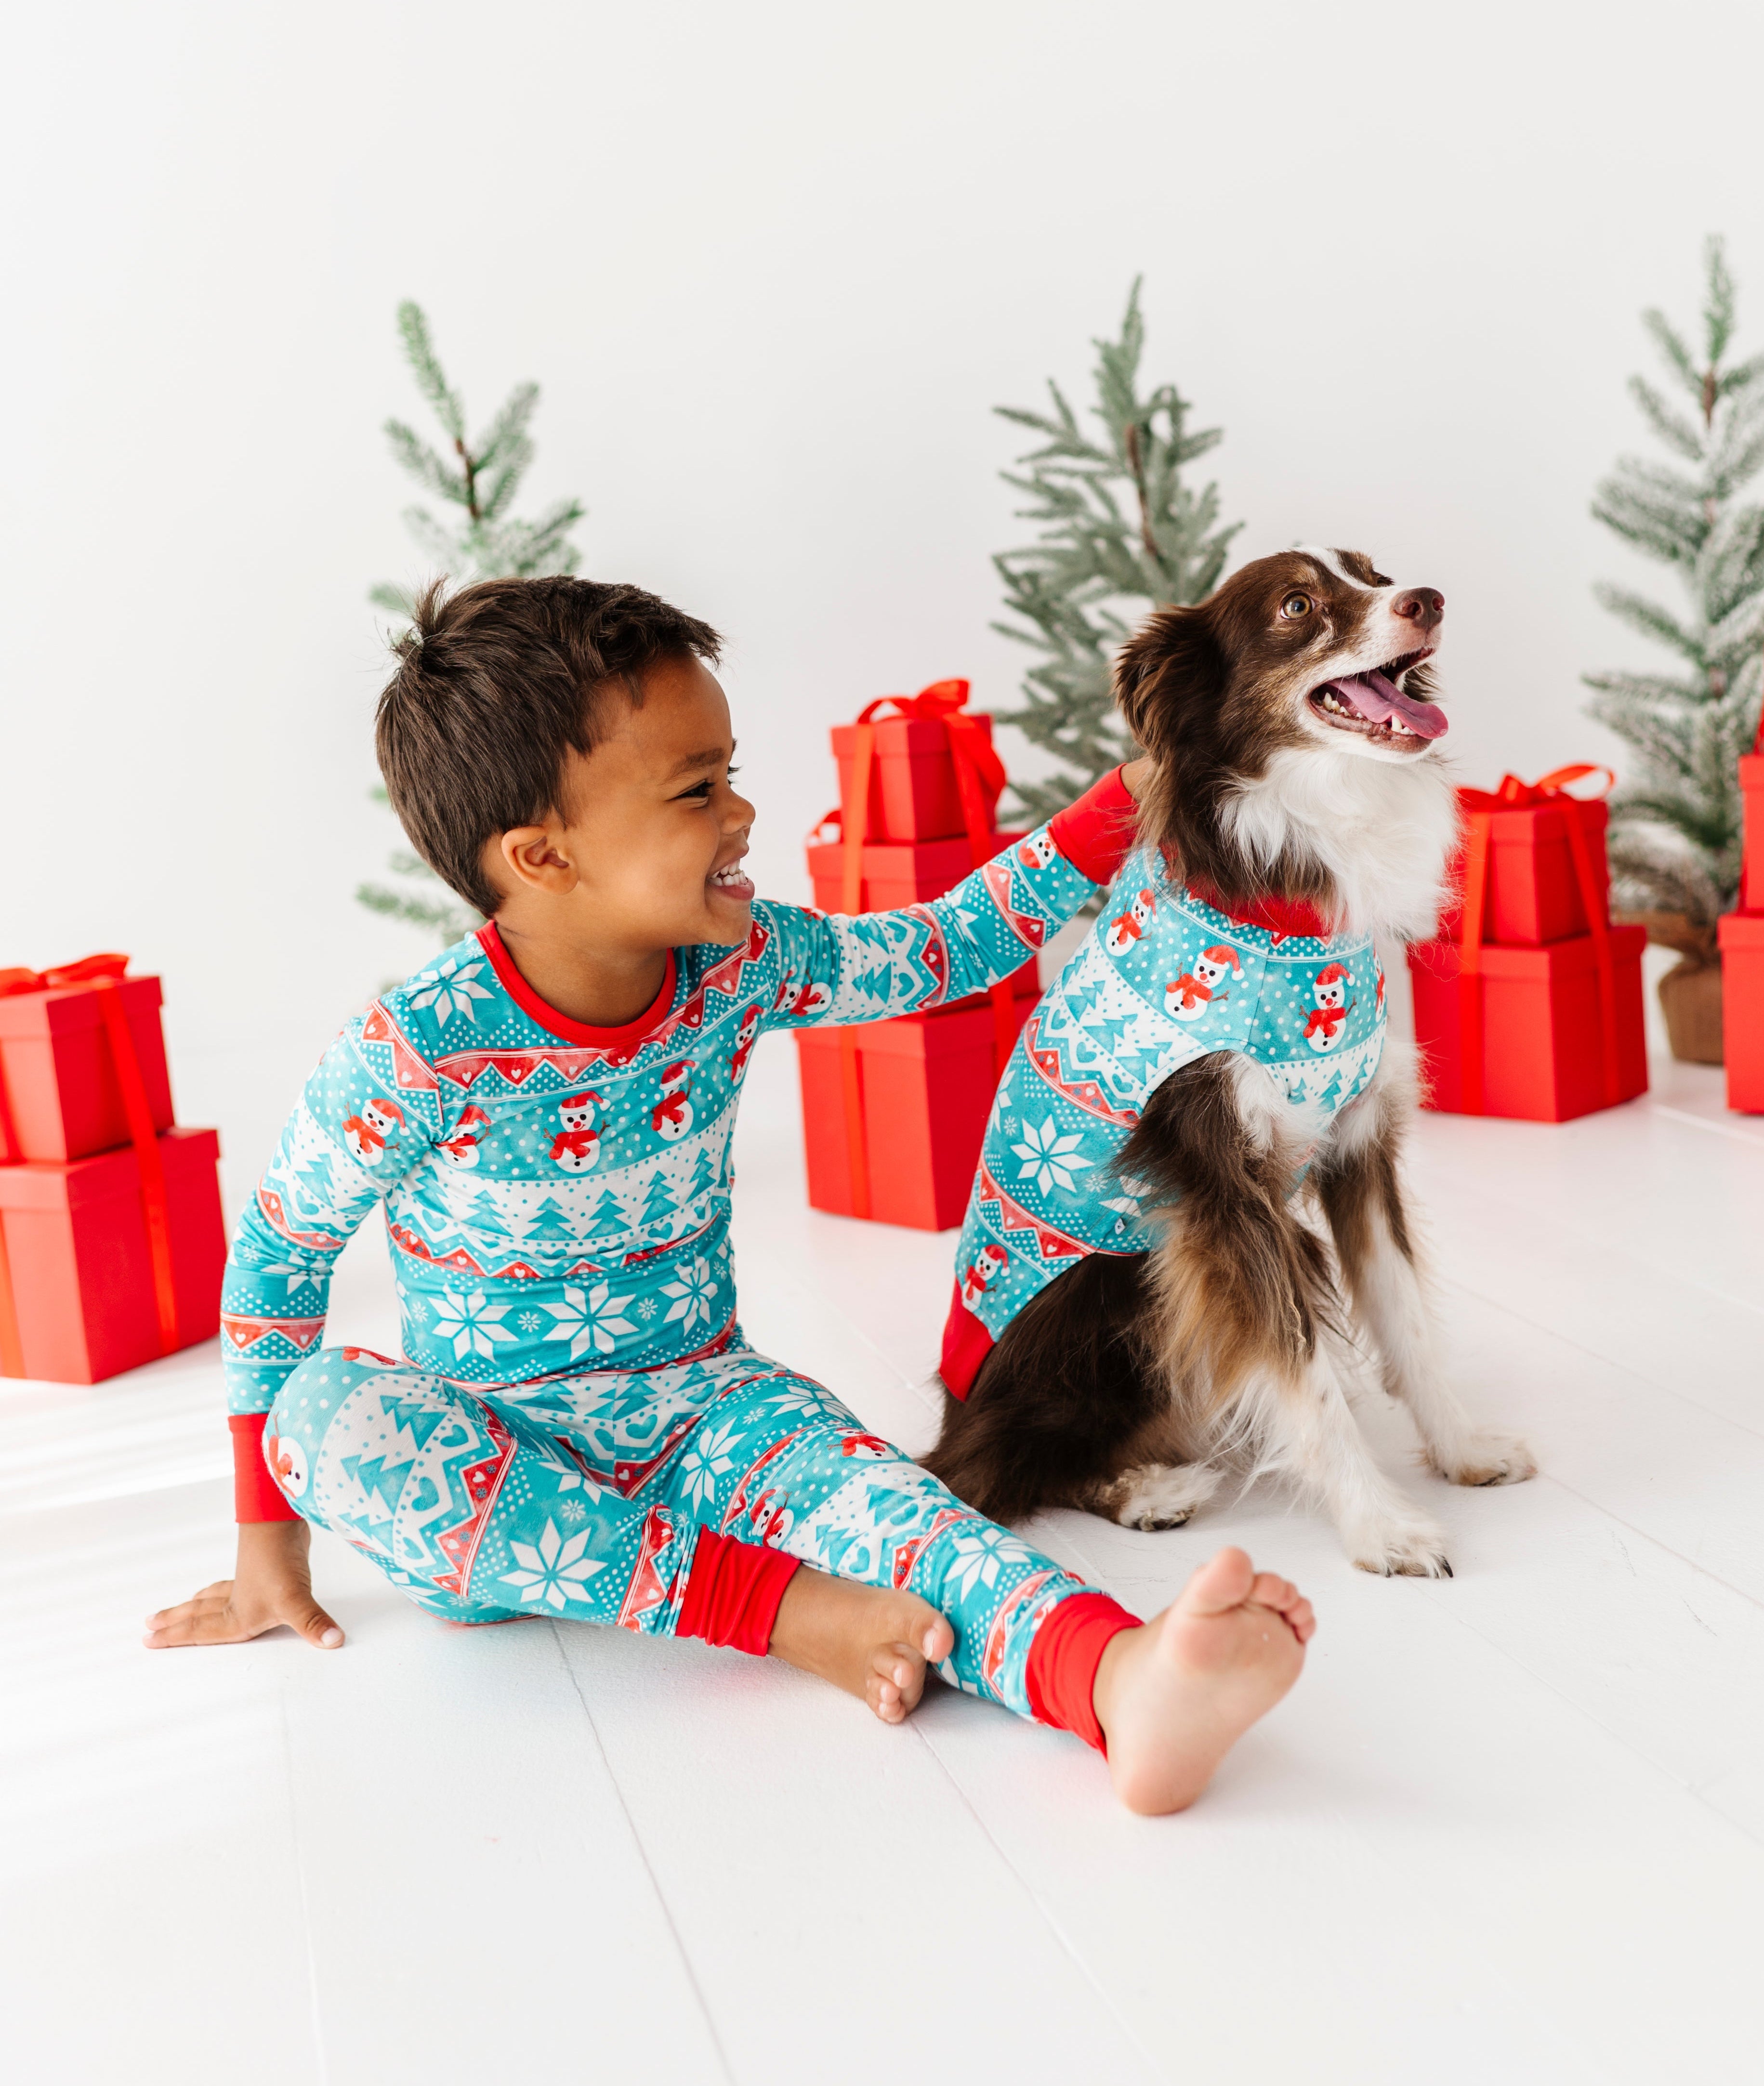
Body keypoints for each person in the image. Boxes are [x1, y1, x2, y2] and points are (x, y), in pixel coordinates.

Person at [145, 577, 1314, 1815]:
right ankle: (782, 1615)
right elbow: (279, 1255)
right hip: (491, 1468)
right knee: (326, 1413)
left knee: (910, 1520)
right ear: (542, 858)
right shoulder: (418, 1051)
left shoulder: (737, 962)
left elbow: (945, 946)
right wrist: (266, 1542)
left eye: (729, 772)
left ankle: (1120, 1680)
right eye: (697, 789)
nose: (743, 810)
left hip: (713, 1412)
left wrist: (1121, 802)